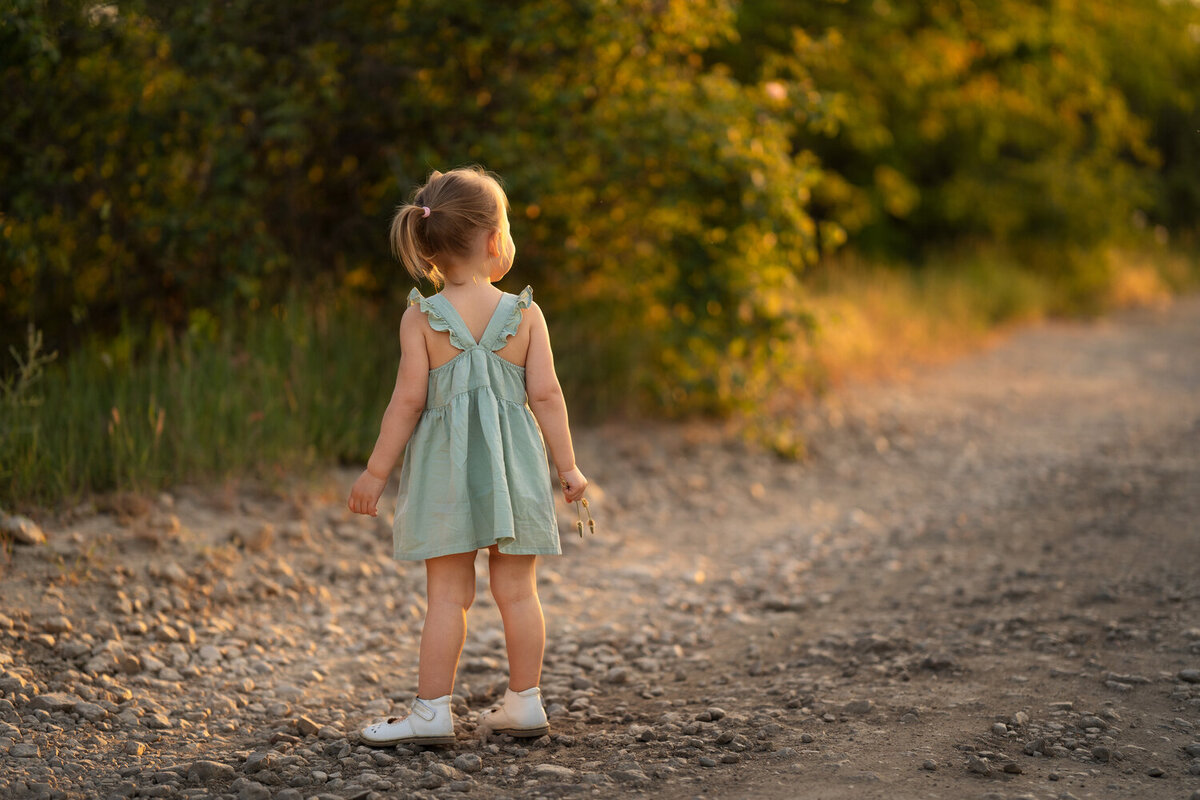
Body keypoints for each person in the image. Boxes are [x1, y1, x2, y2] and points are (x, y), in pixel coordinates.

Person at [347, 166, 588, 746]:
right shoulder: (526, 314)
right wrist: (569, 468)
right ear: (490, 240)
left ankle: (432, 711)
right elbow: (548, 395)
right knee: (518, 592)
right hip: (516, 471)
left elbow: (406, 402)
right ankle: (525, 701)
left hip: (445, 473)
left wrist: (376, 473)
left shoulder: (421, 317)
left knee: (448, 597)